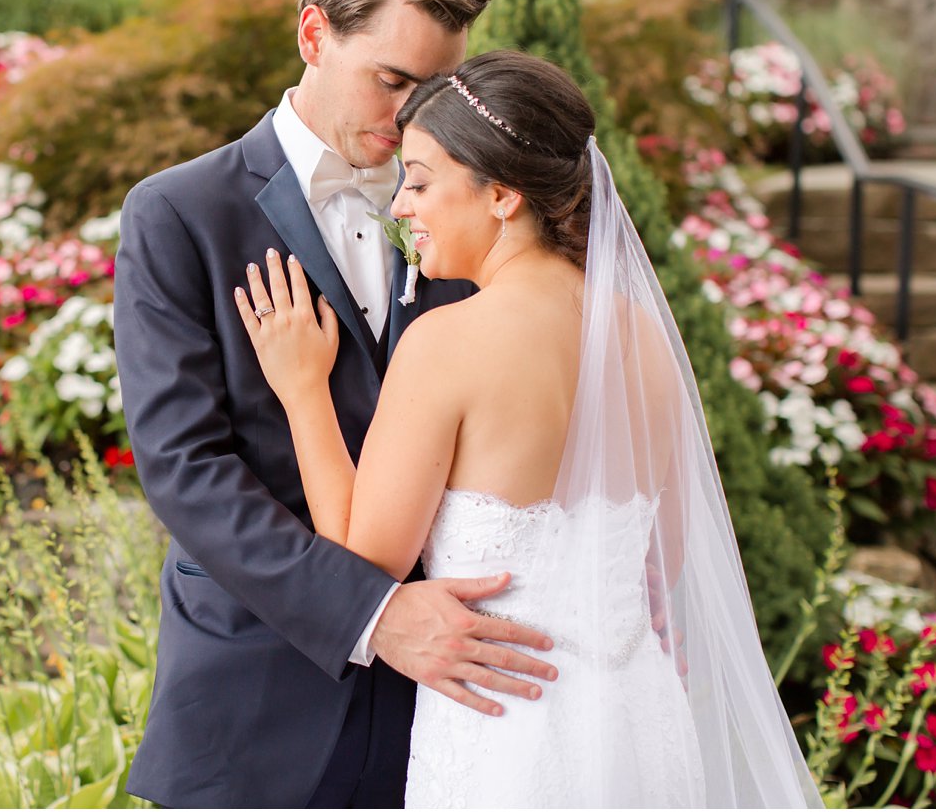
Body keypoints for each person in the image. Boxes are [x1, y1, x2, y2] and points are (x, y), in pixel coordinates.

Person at [234, 49, 824, 807]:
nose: (402, 206)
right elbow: (664, 559)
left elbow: (361, 561)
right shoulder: (641, 334)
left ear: (504, 194)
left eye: (420, 180)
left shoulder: (447, 343)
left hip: (508, 728)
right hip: (640, 722)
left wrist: (302, 389)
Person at [113, 0, 560, 809]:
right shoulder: (178, 214)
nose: (411, 119)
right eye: (392, 81)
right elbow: (186, 471)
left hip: (458, 697)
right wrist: (373, 614)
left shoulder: (470, 213)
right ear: (314, 36)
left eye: (434, 91)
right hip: (254, 696)